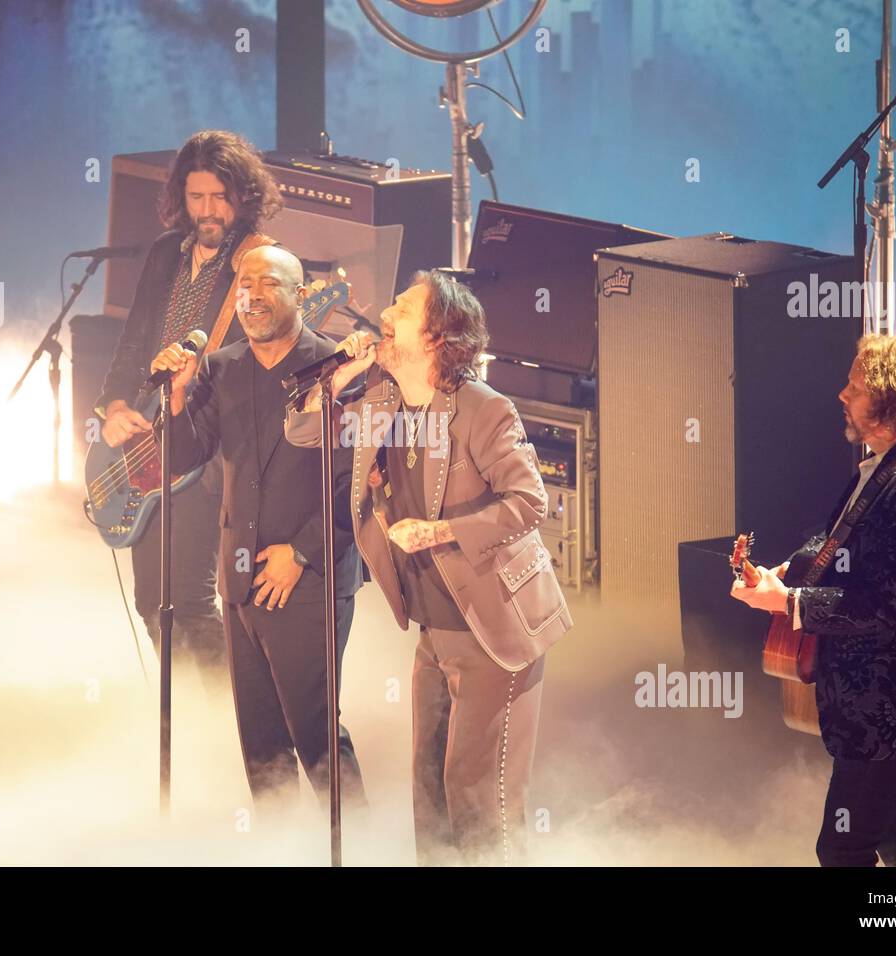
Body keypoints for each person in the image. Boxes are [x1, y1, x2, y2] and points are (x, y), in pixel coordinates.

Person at [285, 270, 572, 864]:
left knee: (478, 797)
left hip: (496, 629)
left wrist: (441, 531)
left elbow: (528, 503)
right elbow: (303, 430)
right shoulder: (383, 398)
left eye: (404, 308)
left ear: (438, 336)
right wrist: (340, 379)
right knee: (429, 793)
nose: (385, 313)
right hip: (434, 631)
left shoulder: (483, 410)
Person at [732, 334, 896, 867]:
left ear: (891, 399)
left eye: (856, 387)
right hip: (887, 708)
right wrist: (785, 573)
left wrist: (792, 602)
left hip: (893, 707)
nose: (842, 394)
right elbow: (840, 544)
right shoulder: (890, 465)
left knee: (845, 849)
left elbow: (890, 607)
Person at [149, 245, 365, 805]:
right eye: (244, 282)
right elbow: (184, 459)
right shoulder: (220, 367)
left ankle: (360, 849)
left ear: (299, 295)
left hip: (310, 581)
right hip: (241, 582)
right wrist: (176, 398)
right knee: (261, 745)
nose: (252, 294)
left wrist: (301, 553)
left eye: (268, 282)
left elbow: (357, 484)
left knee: (315, 735)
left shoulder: (336, 370)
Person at [95, 130, 280, 673]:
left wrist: (209, 376)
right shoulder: (163, 253)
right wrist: (112, 407)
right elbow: (133, 344)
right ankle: (185, 719)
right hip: (149, 442)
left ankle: (232, 727)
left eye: (219, 197)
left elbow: (269, 368)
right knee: (152, 603)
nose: (207, 210)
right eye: (196, 197)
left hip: (210, 449)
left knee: (193, 605)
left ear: (243, 195)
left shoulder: (261, 264)